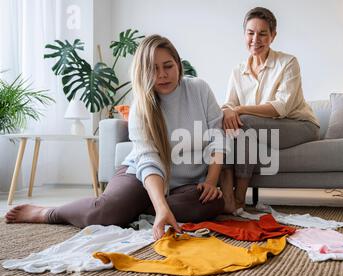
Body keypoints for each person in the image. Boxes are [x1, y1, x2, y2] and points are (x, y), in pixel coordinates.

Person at [5, 35, 227, 240]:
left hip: (186, 184)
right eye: (153, 69)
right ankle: (48, 213)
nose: (162, 74)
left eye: (168, 66)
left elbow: (218, 136)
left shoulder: (199, 89)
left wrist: (210, 181)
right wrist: (161, 205)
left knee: (212, 203)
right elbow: (149, 160)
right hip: (141, 175)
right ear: (143, 72)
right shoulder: (142, 105)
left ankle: (134, 208)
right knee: (105, 211)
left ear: (178, 64)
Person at [220, 7, 320, 214]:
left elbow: (280, 107)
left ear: (273, 36)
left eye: (263, 33)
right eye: (250, 33)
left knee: (243, 121)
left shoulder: (288, 63)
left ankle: (238, 198)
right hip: (255, 129)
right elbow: (228, 104)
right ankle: (229, 198)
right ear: (244, 34)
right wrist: (228, 111)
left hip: (299, 126)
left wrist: (237, 110)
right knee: (230, 124)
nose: (255, 39)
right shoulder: (237, 71)